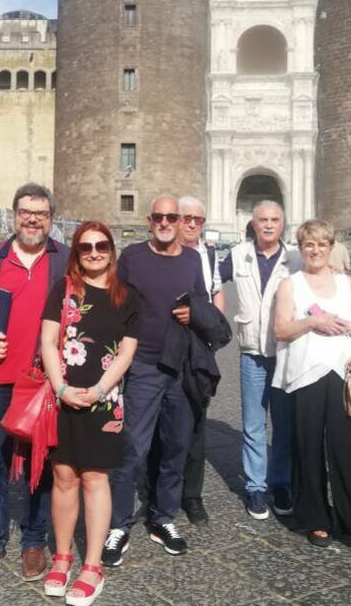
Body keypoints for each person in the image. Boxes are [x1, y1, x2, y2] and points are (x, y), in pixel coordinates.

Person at [0, 183, 70, 583]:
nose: (32, 219)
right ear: (14, 215)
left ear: (51, 219)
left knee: (41, 464)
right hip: (0, 379)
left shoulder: (65, 261)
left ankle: (34, 542)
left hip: (44, 382)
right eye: (25, 212)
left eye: (40, 213)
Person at [102, 195, 208, 566]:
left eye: (172, 217)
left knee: (177, 446)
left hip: (180, 368)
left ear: (182, 221)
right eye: (159, 217)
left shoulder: (193, 260)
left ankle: (163, 518)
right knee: (133, 448)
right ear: (150, 221)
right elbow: (115, 303)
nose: (165, 222)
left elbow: (204, 306)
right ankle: (118, 524)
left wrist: (193, 312)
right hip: (144, 366)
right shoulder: (132, 257)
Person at [38, 222, 139, 606]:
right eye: (85, 247)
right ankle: (63, 557)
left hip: (104, 399)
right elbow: (48, 340)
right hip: (62, 396)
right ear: (76, 254)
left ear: (111, 251)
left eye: (100, 246)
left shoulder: (126, 297)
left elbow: (127, 352)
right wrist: (62, 387)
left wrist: (98, 390)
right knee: (64, 476)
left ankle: (92, 565)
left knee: (96, 478)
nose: (94, 252)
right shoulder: (62, 291)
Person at [273, 220, 351, 553]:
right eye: (309, 244)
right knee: (306, 448)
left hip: (344, 372)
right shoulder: (290, 285)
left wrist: (345, 324)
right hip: (305, 373)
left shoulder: (346, 283)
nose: (316, 250)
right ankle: (316, 518)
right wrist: (313, 321)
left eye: (322, 244)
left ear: (331, 247)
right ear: (301, 247)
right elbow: (281, 330)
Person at [214, 200, 302, 519]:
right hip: (252, 352)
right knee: (253, 424)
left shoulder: (296, 257)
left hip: (286, 352)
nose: (268, 225)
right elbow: (210, 282)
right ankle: (255, 487)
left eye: (274, 220)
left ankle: (280, 481)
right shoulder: (238, 255)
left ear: (283, 224)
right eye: (262, 219)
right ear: (253, 224)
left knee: (284, 423)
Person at [138, 195, 220, 525]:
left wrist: (205, 322)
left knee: (193, 427)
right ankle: (154, 493)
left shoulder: (206, 256)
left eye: (195, 220)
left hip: (193, 352)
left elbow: (213, 298)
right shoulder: (153, 254)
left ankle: (192, 495)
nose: (187, 223)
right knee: (157, 430)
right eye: (182, 217)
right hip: (155, 357)